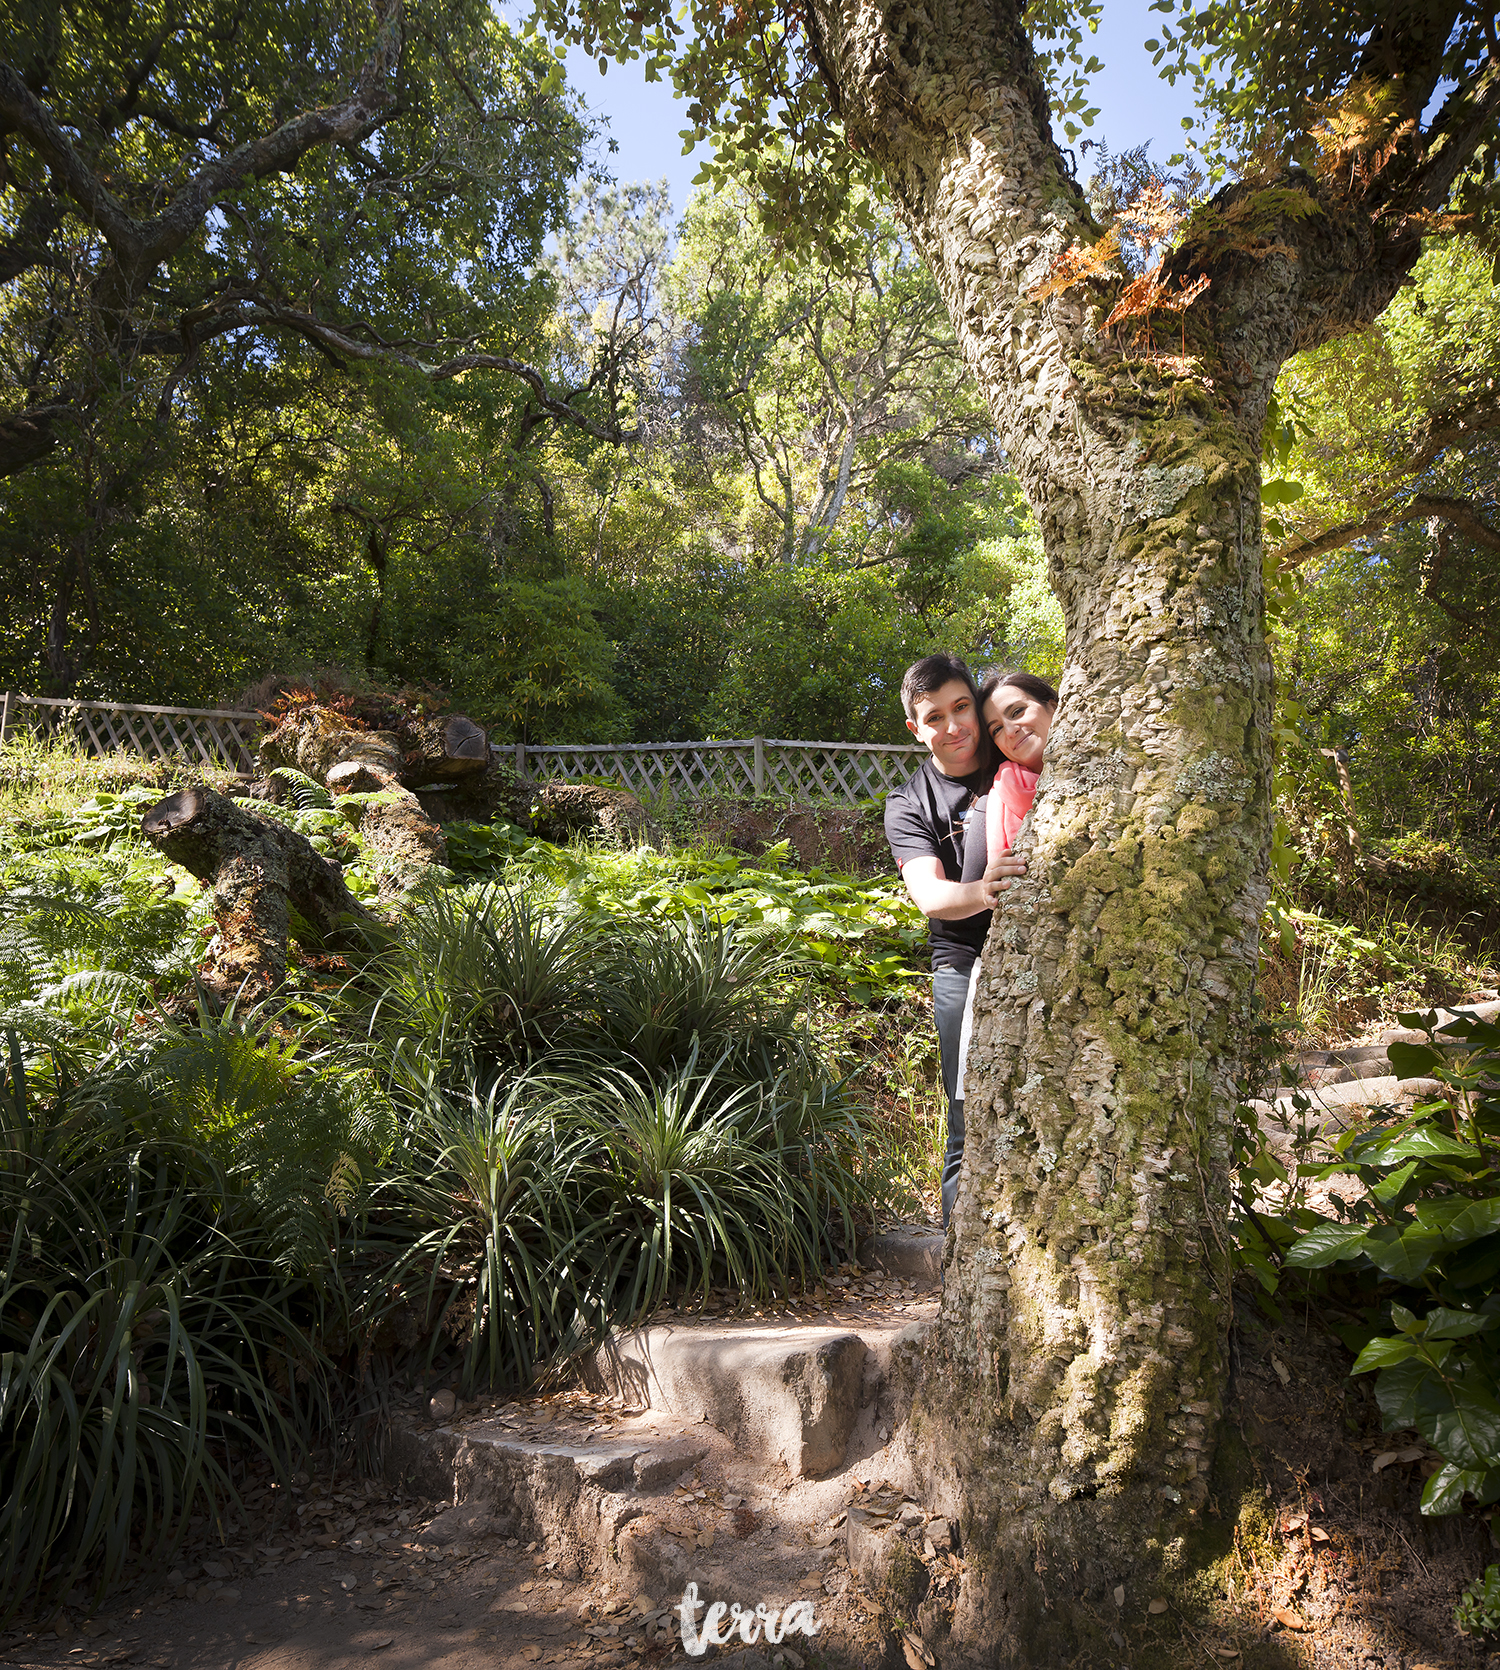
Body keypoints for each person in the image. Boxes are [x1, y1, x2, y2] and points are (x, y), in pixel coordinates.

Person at [884, 654, 1026, 1229]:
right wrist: (988, 889)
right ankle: (957, 1270)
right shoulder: (908, 802)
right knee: (968, 1120)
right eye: (934, 717)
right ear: (916, 728)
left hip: (1047, 947)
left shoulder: (1011, 755)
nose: (953, 727)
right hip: (963, 966)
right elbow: (932, 897)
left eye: (962, 707)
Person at [952, 670, 1060, 1119]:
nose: (1010, 731)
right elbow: (977, 900)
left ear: (1054, 705)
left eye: (1018, 712)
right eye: (996, 728)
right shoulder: (996, 798)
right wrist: (990, 885)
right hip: (1018, 972)